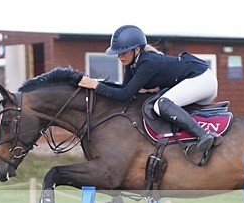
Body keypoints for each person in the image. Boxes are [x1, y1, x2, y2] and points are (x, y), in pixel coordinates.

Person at [78, 25, 221, 153]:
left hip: (202, 79)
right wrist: (95, 83)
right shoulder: (132, 65)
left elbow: (124, 95)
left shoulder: (147, 62)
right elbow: (123, 89)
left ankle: (204, 135)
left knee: (162, 104)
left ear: (137, 50)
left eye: (124, 52)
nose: (119, 57)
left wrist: (95, 85)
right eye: (118, 53)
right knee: (159, 101)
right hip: (194, 80)